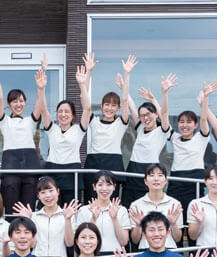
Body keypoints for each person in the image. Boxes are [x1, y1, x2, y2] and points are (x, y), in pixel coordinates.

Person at [0, 53, 43, 215]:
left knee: (28, 210)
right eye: (14, 101)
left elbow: (39, 105)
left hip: (30, 166)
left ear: (25, 102)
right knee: (11, 211)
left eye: (21, 101)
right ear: (9, 104)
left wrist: (41, 87)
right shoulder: (5, 121)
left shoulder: (30, 121)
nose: (18, 104)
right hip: (11, 166)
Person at [80, 53, 133, 201]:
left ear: (118, 108)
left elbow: (124, 99)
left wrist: (127, 74)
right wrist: (89, 72)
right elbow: (85, 101)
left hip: (113, 163)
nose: (110, 108)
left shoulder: (120, 123)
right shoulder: (94, 121)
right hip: (93, 162)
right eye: (107, 104)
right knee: (91, 202)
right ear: (102, 106)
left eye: (113, 105)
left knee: (112, 202)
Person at [36, 65, 90, 203]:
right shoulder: (52, 128)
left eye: (67, 111)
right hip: (53, 171)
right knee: (51, 208)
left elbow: (87, 109)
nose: (63, 114)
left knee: (72, 209)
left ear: (73, 115)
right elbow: (43, 110)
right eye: (60, 111)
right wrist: (41, 89)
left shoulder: (78, 130)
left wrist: (82, 84)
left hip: (72, 173)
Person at [122, 74, 176, 207]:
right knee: (129, 207)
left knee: (146, 207)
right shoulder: (141, 128)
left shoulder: (162, 131)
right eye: (142, 116)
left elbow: (164, 113)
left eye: (148, 114)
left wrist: (162, 94)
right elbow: (131, 105)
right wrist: (124, 85)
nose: (145, 118)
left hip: (149, 170)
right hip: (132, 169)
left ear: (155, 114)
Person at [167, 81, 217, 214]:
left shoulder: (200, 138)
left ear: (195, 125)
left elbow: (204, 119)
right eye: (182, 122)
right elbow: (164, 116)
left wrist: (205, 98)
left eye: (189, 122)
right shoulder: (174, 138)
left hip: (194, 178)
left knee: (192, 215)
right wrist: (164, 93)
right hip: (176, 178)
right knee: (173, 214)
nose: (185, 125)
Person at [129, 164, 183, 250]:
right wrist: (139, 225)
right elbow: (135, 240)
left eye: (160, 175)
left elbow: (178, 239)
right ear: (145, 181)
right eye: (151, 175)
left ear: (166, 181)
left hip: (169, 250)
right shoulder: (136, 205)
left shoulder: (175, 204)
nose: (156, 179)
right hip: (145, 250)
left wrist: (173, 224)